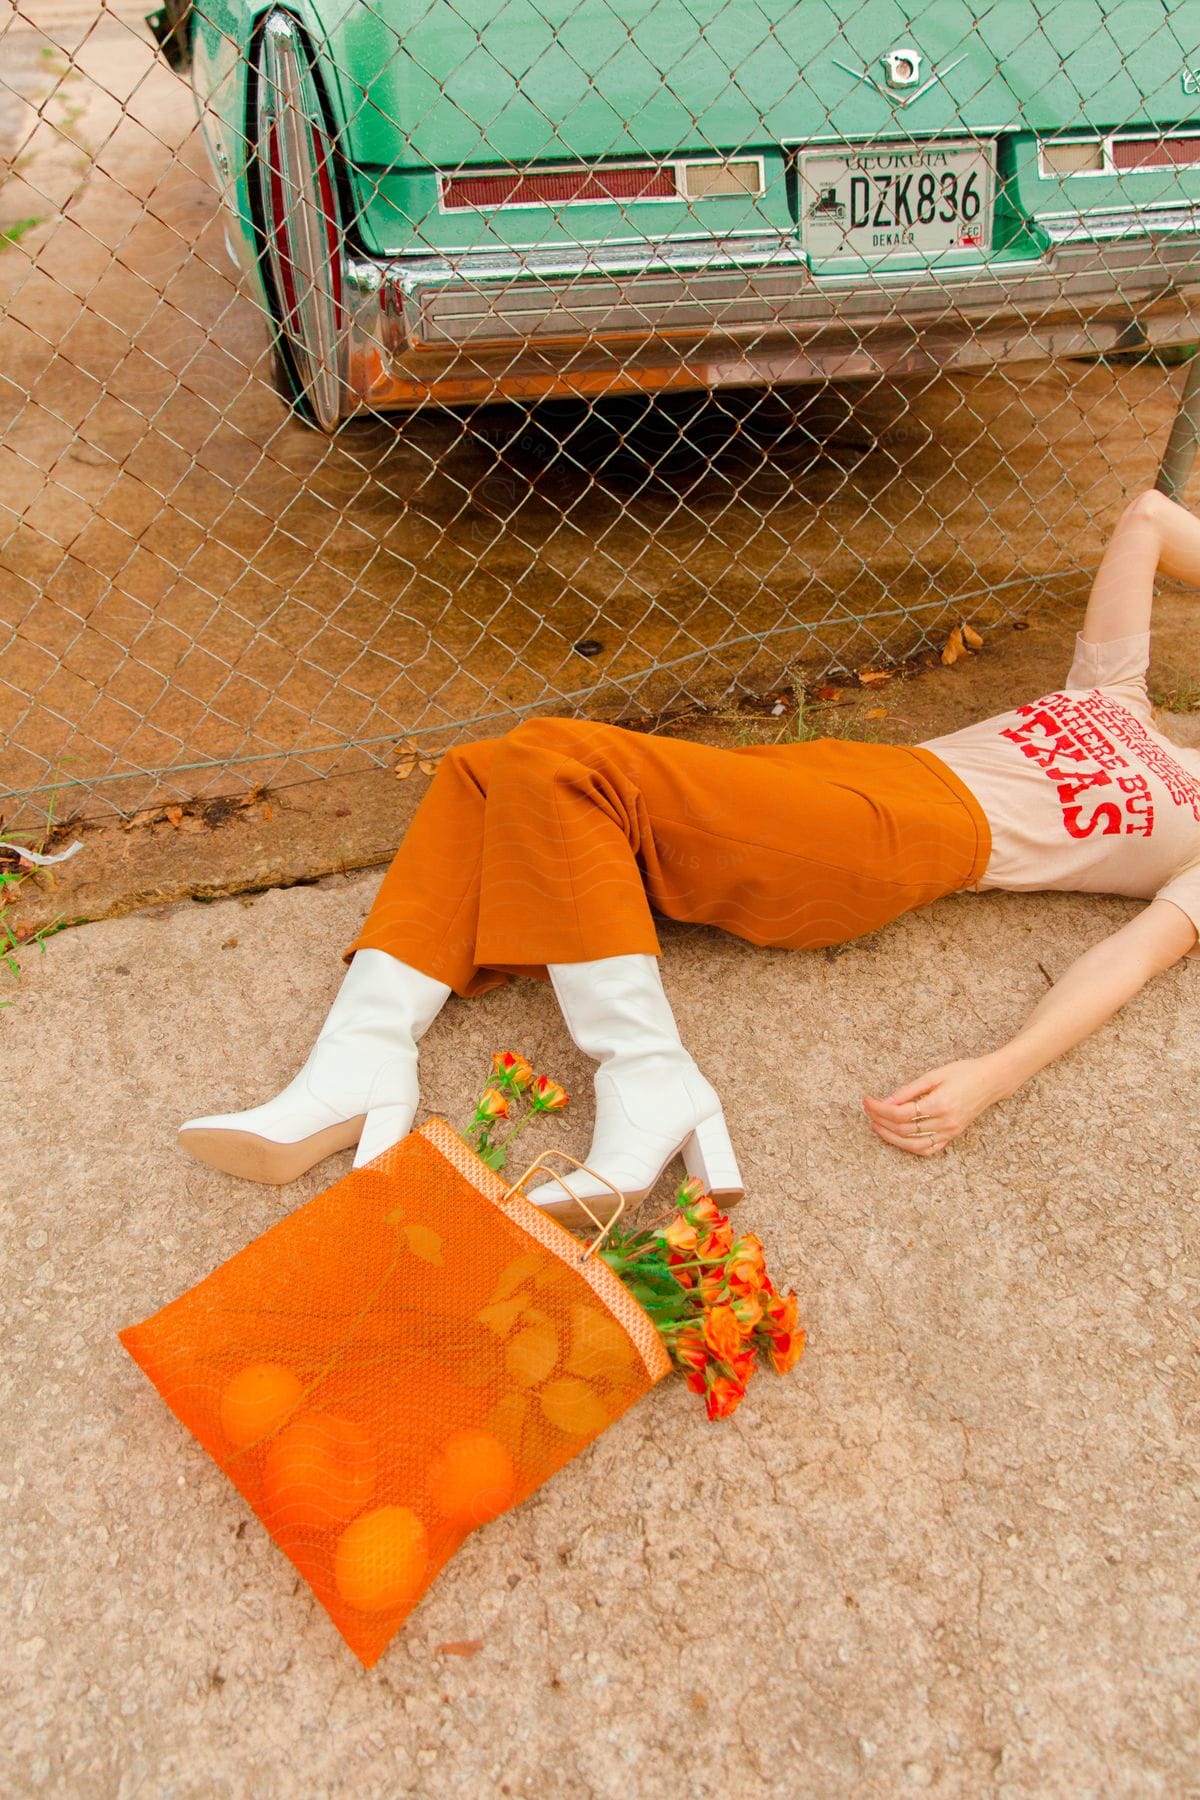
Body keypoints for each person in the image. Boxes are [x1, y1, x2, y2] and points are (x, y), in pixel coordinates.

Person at [179, 487, 1200, 1226]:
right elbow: (1149, 520)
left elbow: (1131, 959)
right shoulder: (1118, 695)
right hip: (840, 777)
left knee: (554, 758)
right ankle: (359, 1060)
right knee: (484, 772)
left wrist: (998, 1072)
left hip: (899, 846)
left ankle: (649, 1076)